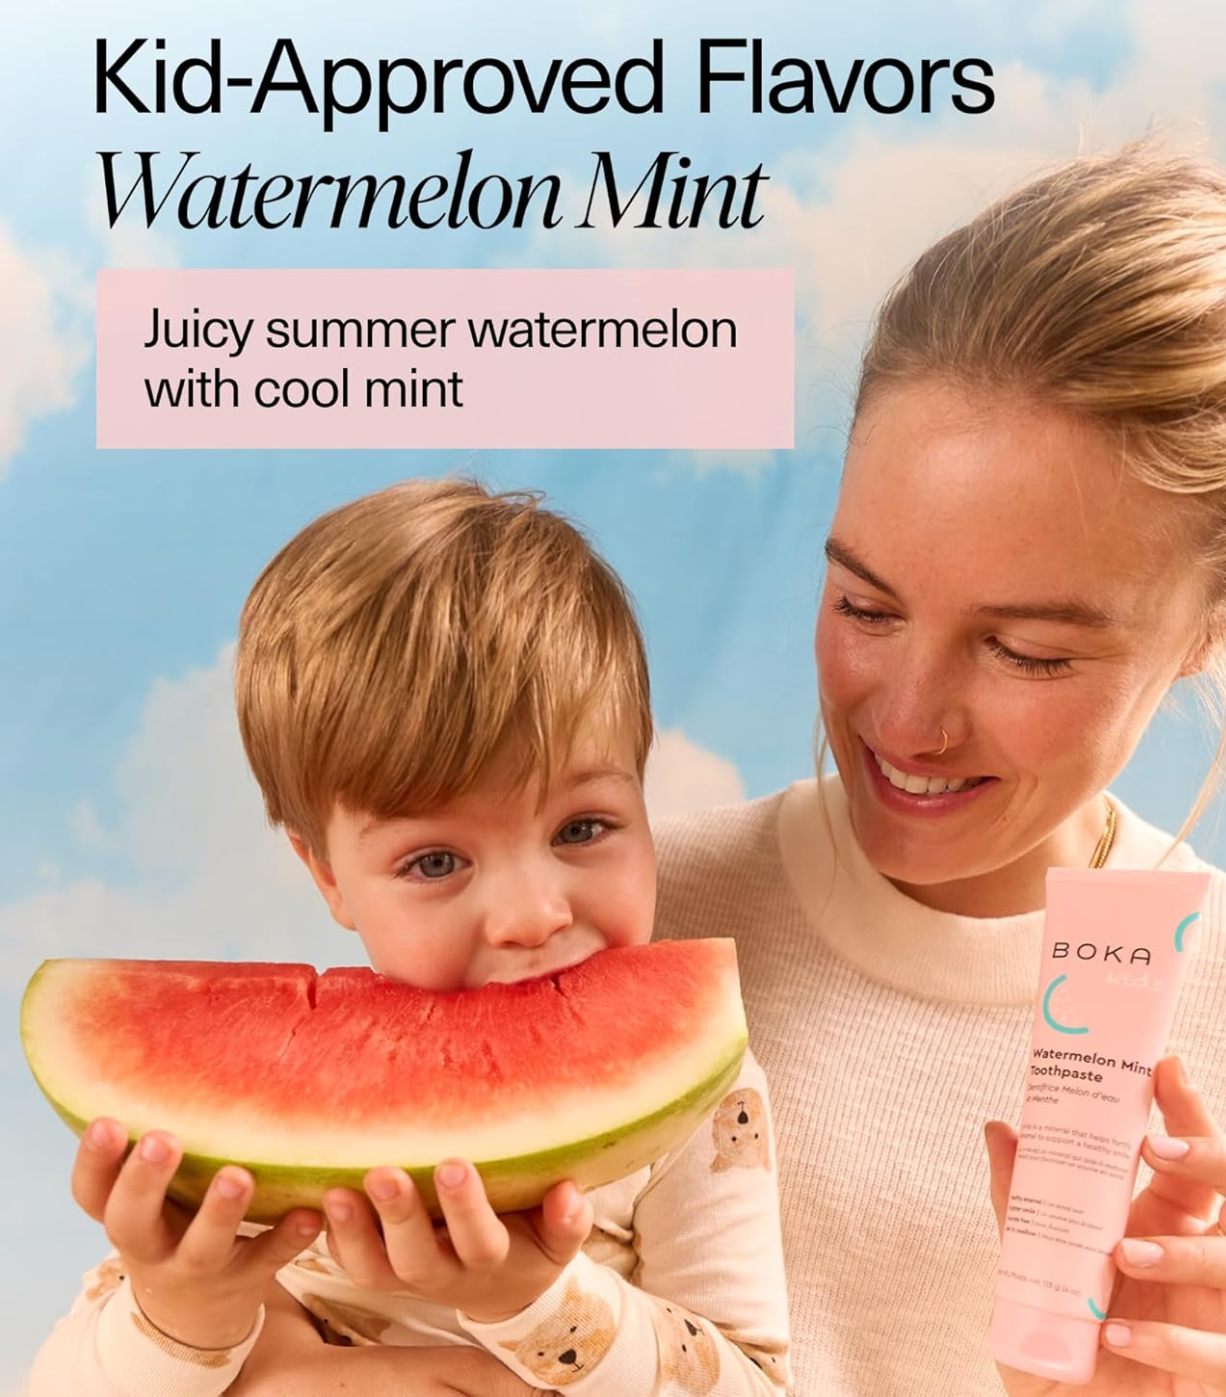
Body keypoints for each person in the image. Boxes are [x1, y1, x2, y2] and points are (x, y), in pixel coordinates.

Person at [651, 141, 1226, 1394]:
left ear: (1217, 625)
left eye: (1022, 652)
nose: (906, 719)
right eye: (863, 603)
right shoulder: (618, 926)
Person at [27, 480, 791, 1396]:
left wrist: (536, 1296)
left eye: (582, 828)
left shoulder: (706, 1100)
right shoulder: (261, 1128)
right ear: (327, 876)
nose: (531, 915)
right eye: (435, 862)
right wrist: (177, 1309)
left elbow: (757, 1382)